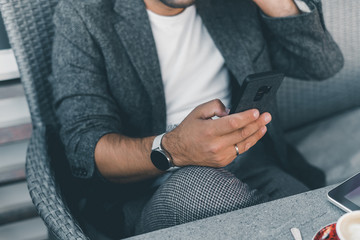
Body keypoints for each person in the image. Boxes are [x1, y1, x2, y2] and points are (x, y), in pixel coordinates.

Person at [50, 0, 344, 238]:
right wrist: (173, 149)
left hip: (254, 165)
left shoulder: (231, 5)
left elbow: (321, 64)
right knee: (201, 187)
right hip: (149, 192)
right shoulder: (84, 13)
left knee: (321, 215)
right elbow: (84, 149)